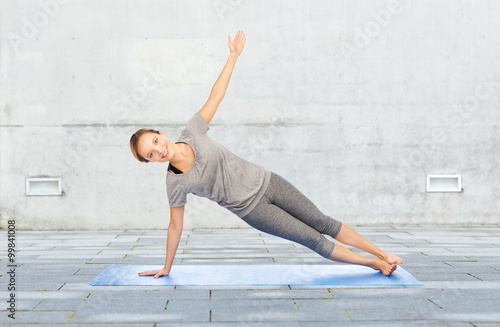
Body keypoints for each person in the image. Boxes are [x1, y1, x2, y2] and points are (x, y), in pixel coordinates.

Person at [130, 31, 403, 279]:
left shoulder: (193, 131)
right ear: (151, 161)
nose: (158, 150)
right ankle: (373, 264)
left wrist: (233, 56)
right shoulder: (175, 183)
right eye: (151, 154)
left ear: (161, 133)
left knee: (323, 222)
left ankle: (382, 254)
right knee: (313, 239)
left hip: (269, 181)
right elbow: (174, 227)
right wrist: (167, 267)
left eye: (155, 141)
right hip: (253, 209)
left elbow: (216, 95)